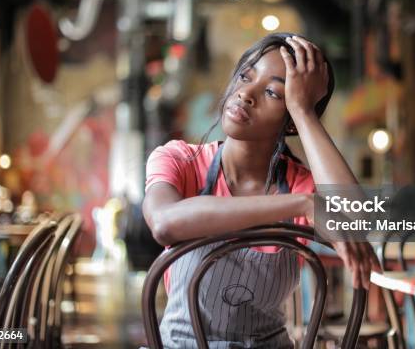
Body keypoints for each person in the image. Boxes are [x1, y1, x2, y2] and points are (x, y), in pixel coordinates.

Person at [143, 33, 381, 348]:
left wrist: (305, 113)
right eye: (245, 76)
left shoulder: (297, 182)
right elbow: (164, 223)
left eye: (272, 92)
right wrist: (302, 204)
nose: (246, 94)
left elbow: (359, 222)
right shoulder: (179, 160)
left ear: (291, 119)